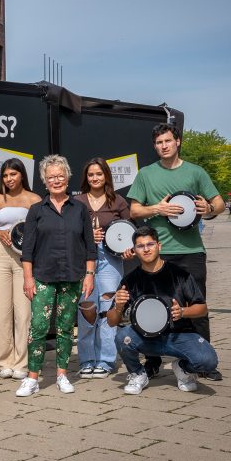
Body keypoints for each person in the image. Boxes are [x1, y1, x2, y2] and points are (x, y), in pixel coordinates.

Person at [127, 124, 225, 381]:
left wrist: (208, 208)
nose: (163, 146)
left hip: (191, 251)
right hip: (159, 255)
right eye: (159, 142)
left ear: (178, 141)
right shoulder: (146, 174)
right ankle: (153, 361)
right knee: (152, 306)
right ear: (154, 146)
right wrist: (157, 209)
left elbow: (220, 203)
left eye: (168, 141)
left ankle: (203, 361)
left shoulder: (196, 172)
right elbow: (134, 211)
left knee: (197, 305)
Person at [16, 154, 96, 396]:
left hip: (72, 276)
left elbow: (89, 246)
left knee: (64, 329)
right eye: (51, 177)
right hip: (42, 277)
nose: (56, 180)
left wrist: (89, 274)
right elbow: (27, 249)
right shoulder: (36, 210)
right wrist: (28, 278)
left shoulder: (80, 209)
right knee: (38, 328)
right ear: (44, 181)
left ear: (68, 177)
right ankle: (32, 378)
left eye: (60, 176)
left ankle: (62, 374)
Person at [107, 226, 219, 395]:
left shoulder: (180, 274)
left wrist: (182, 312)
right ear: (134, 250)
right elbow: (111, 321)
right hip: (146, 338)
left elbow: (202, 308)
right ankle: (138, 373)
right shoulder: (130, 280)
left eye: (150, 244)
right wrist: (118, 306)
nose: (146, 249)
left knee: (208, 361)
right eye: (140, 246)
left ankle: (183, 368)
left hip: (179, 335)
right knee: (122, 337)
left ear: (159, 246)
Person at [73, 157, 134, 379]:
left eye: (99, 174)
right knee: (87, 309)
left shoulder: (117, 201)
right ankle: (87, 360)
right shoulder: (77, 202)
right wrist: (88, 234)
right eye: (91, 174)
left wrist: (129, 248)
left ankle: (106, 361)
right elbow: (68, 233)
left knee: (109, 309)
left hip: (110, 260)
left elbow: (130, 232)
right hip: (83, 261)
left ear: (106, 176)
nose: (95, 178)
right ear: (86, 178)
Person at [0, 158, 41, 380]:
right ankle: (3, 361)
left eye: (13, 174)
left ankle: (22, 362)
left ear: (22, 175)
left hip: (25, 257)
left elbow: (41, 230)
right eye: (5, 175)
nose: (9, 179)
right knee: (1, 310)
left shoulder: (34, 199)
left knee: (24, 311)